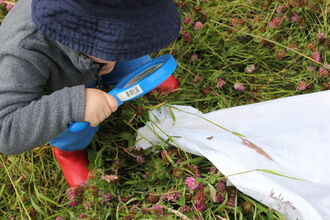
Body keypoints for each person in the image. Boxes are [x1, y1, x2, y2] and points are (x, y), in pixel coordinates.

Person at [0, 0, 180, 187]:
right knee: (79, 125)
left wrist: (110, 54)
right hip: (59, 89)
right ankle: (68, 151)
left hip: (95, 54)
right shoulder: (24, 52)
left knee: (128, 58)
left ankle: (121, 61)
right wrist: (73, 104)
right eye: (121, 41)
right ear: (83, 36)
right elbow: (5, 130)